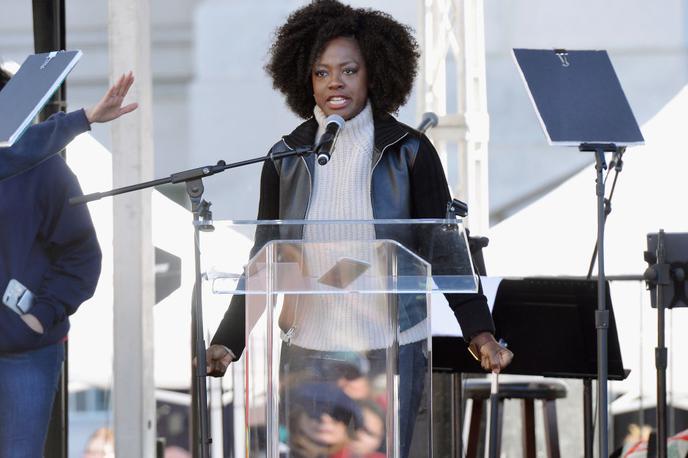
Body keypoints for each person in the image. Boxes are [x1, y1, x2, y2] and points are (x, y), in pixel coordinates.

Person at [206, 1, 513, 456]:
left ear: (374, 73)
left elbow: (442, 246)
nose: (335, 83)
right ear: (304, 79)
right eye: (322, 72)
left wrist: (479, 331)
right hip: (307, 350)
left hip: (388, 348)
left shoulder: (409, 151)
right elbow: (266, 256)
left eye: (349, 70)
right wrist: (230, 339)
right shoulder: (285, 158)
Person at [0, 68, 137, 456]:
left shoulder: (44, 169)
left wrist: (41, 314)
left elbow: (81, 254)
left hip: (23, 349)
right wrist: (82, 119)